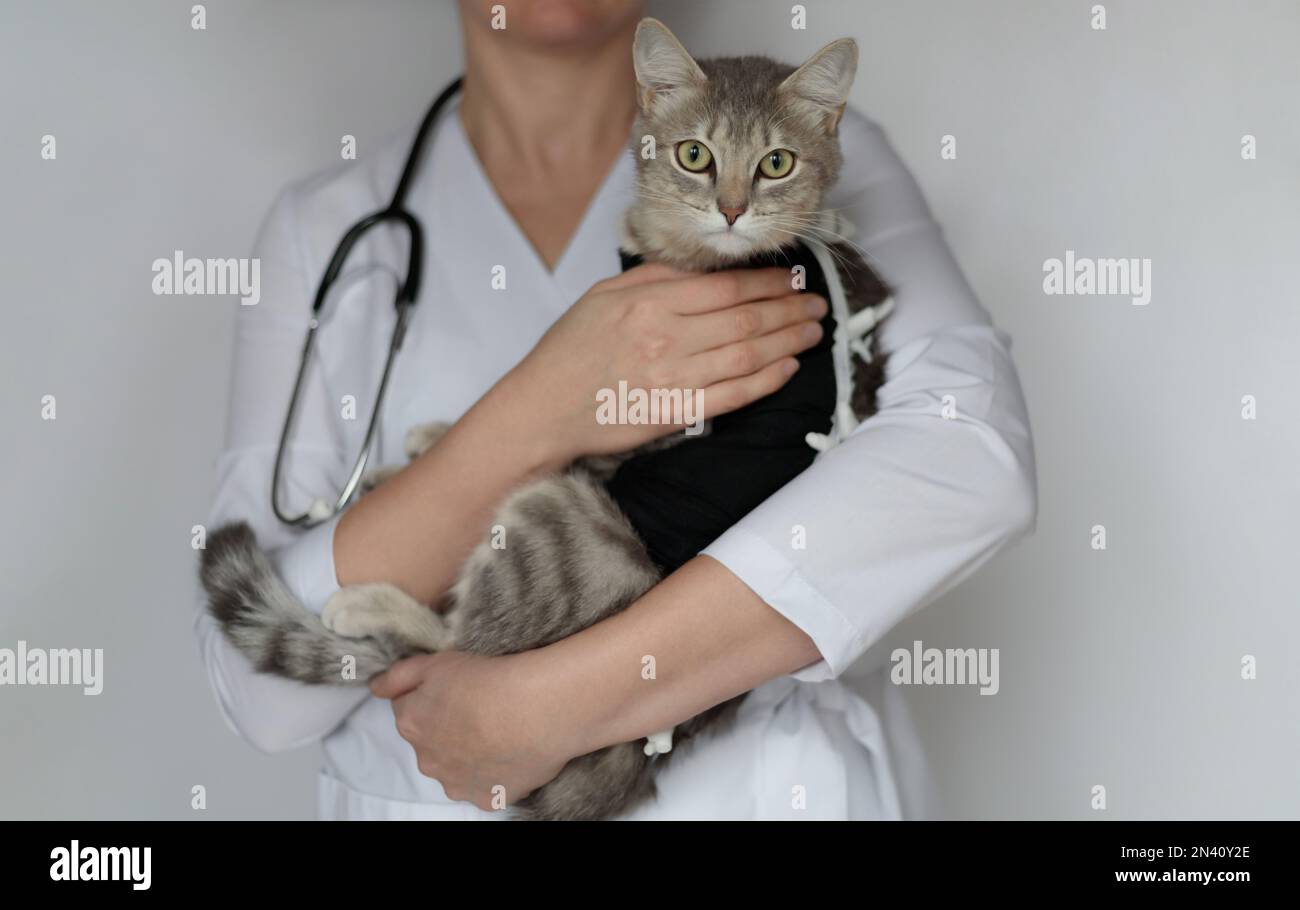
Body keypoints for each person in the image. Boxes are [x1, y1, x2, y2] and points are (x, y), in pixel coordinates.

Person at [195, 0, 1036, 820]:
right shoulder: (327, 228)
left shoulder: (835, 183)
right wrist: (537, 411)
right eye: (706, 164)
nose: (736, 199)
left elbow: (973, 464)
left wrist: (563, 700)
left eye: (768, 171)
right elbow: (257, 695)